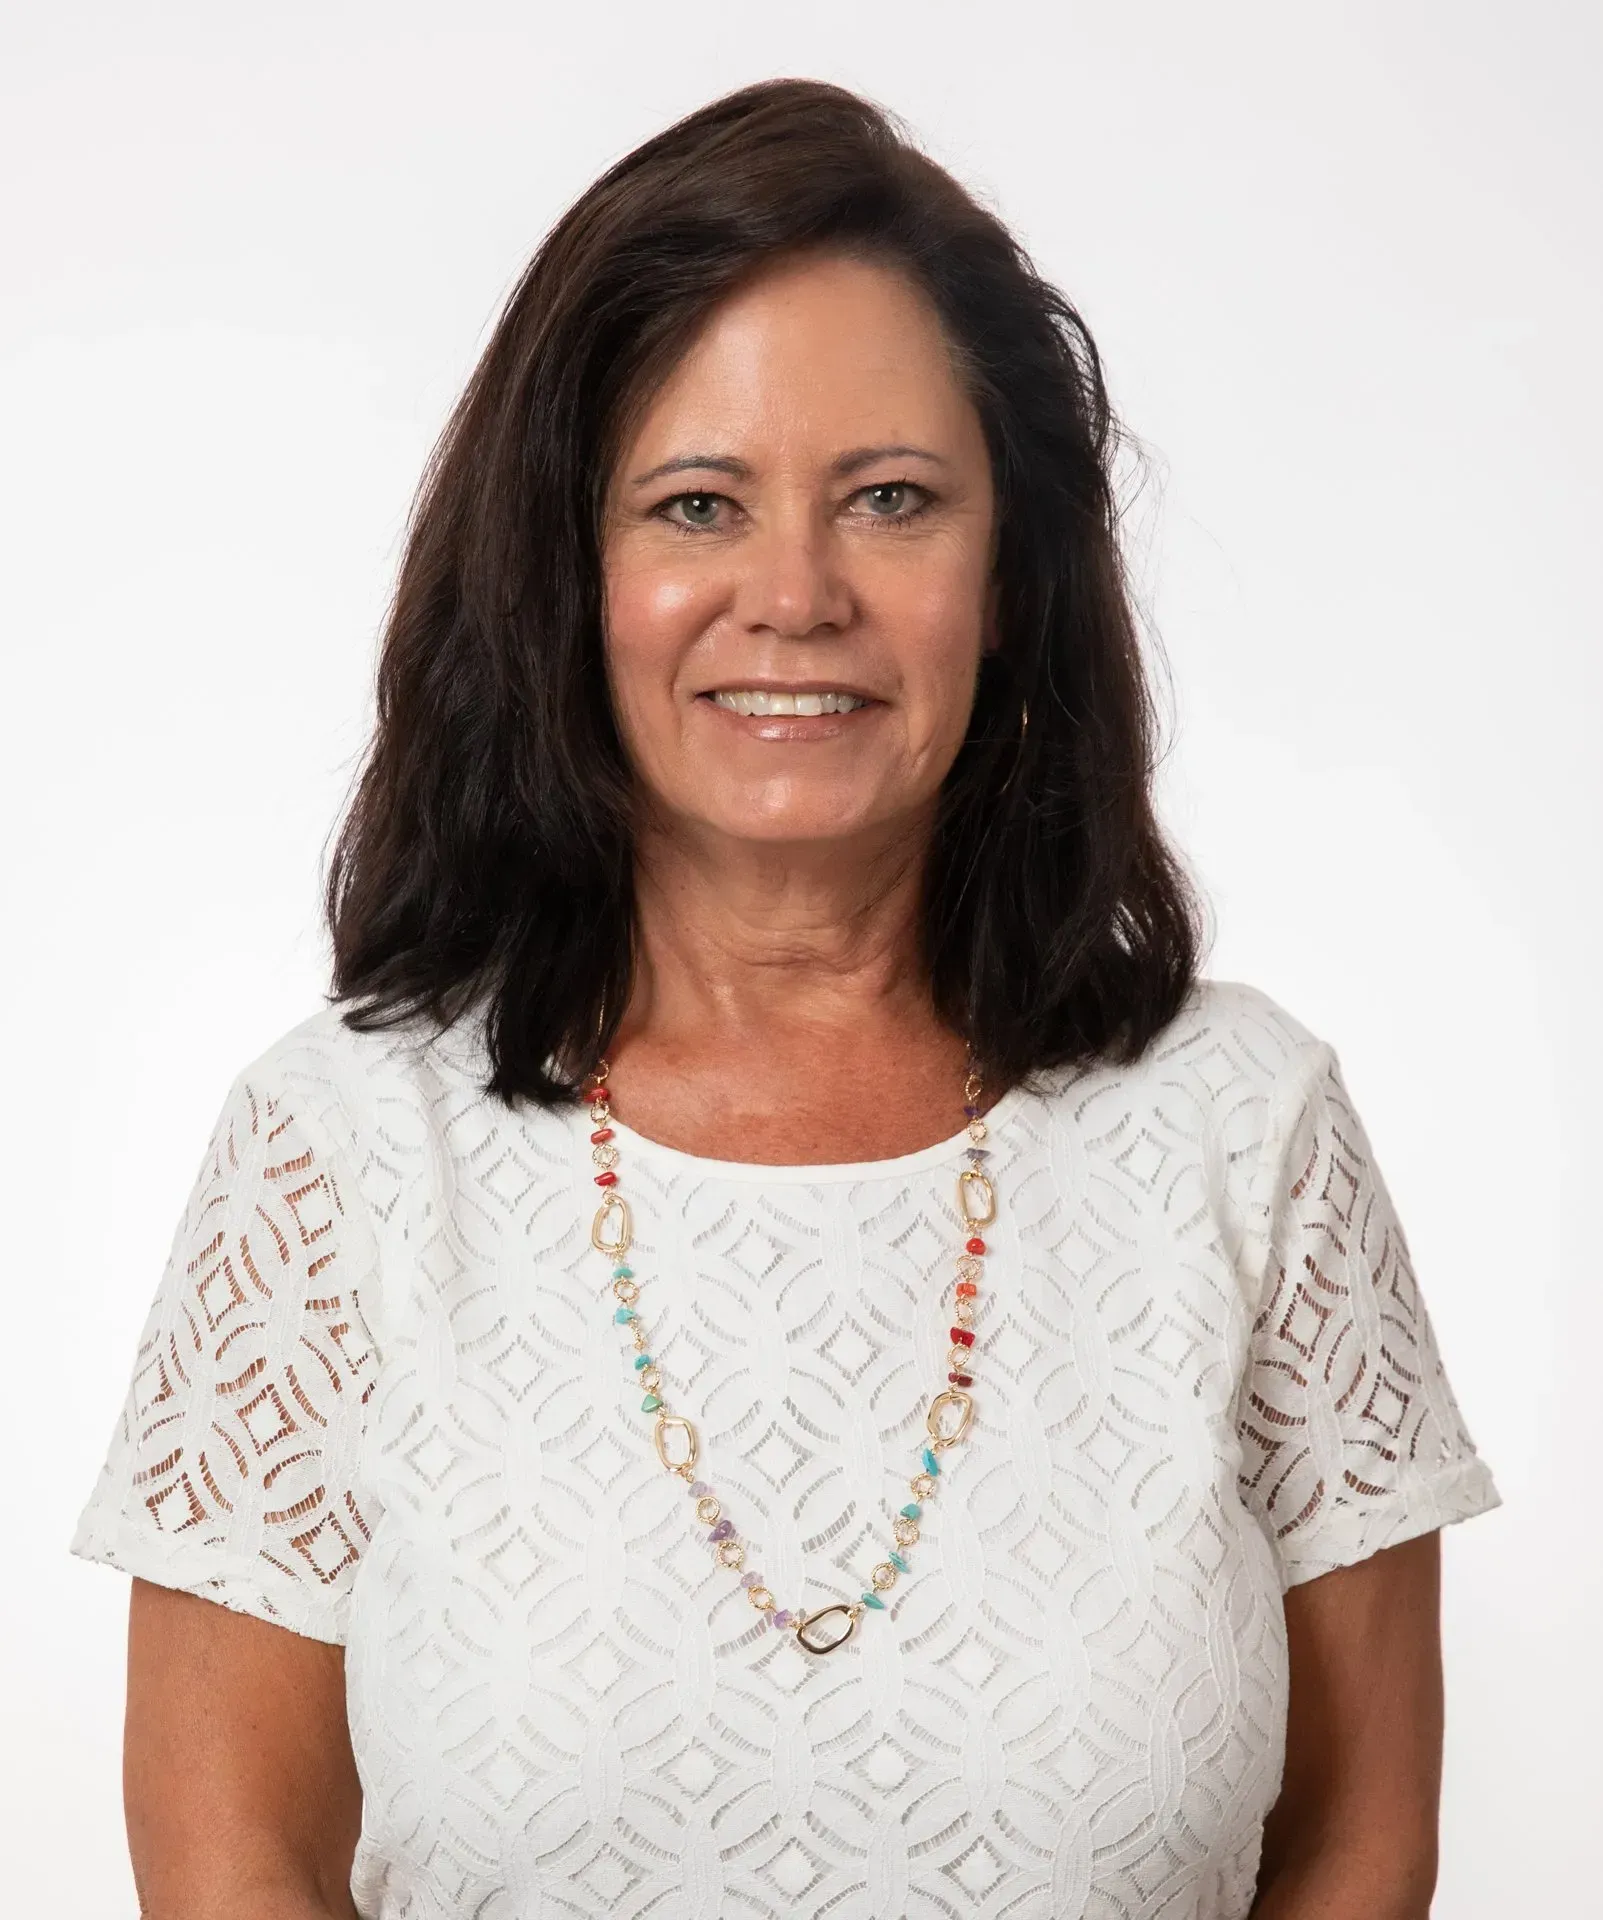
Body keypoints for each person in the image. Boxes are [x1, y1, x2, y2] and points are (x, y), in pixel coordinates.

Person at [69, 76, 1501, 1920]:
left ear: (1010, 578)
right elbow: (228, 1867)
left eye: (892, 501)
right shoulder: (334, 1152)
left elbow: (1358, 1849)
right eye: (695, 503)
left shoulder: (1245, 1127)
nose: (795, 593)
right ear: (566, 575)